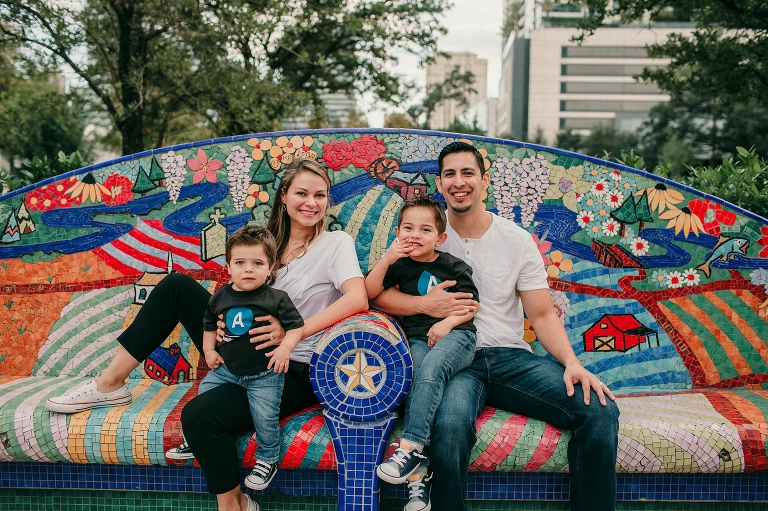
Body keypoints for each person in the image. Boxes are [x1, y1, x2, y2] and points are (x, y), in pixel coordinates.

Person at [46, 159, 369, 511]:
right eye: (302, 193)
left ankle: (234, 505)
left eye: (320, 195)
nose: (311, 202)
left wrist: (292, 330)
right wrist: (224, 324)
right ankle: (110, 383)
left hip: (289, 365)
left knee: (199, 416)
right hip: (240, 348)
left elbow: (357, 297)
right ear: (284, 197)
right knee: (176, 286)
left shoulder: (335, 243)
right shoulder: (266, 244)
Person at [371, 141, 620, 511]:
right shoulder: (423, 235)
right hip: (457, 361)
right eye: (450, 174)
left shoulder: (516, 240)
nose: (459, 182)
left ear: (484, 180)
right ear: (439, 184)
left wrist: (572, 363)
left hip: (510, 358)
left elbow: (542, 314)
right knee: (449, 429)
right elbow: (377, 295)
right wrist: (423, 304)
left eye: (467, 172)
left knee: (600, 410)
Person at [365, 197, 478, 493]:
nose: (415, 235)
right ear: (397, 232)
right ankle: (419, 473)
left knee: (430, 368)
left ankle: (412, 445)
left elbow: (471, 306)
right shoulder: (399, 266)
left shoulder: (455, 266)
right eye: (408, 228)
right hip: (417, 338)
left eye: (425, 230)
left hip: (457, 336)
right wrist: (387, 258)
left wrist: (445, 324)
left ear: (440, 238)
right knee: (413, 376)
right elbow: (369, 292)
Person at [199, 225, 304, 491]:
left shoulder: (276, 298)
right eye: (240, 262)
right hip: (229, 370)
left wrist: (285, 348)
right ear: (229, 266)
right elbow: (209, 324)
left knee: (265, 416)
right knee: (205, 391)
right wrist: (210, 351)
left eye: (257, 263)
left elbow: (296, 326)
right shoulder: (221, 295)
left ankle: (268, 458)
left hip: (265, 374)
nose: (248, 269)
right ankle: (197, 438)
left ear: (270, 268)